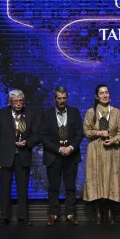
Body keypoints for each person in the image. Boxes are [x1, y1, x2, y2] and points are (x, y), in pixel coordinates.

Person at [0, 89, 38, 226]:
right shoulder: (1, 114)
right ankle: (4, 217)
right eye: (15, 101)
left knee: (23, 189)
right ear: (10, 102)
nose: (18, 104)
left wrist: (27, 142)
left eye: (21, 101)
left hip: (23, 156)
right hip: (5, 157)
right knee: (5, 188)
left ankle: (23, 216)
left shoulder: (31, 114)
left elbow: (36, 135)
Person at [39, 86, 83, 226]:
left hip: (71, 155)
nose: (62, 101)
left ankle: (70, 214)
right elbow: (43, 136)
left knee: (70, 187)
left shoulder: (74, 112)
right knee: (53, 187)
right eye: (59, 98)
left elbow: (79, 133)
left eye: (64, 98)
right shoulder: (46, 115)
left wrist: (71, 147)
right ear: (54, 99)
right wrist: (58, 149)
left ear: (67, 98)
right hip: (53, 156)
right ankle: (53, 214)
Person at [83, 84, 120, 224]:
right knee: (96, 179)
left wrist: (113, 140)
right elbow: (86, 132)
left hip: (112, 150)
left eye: (106, 92)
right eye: (101, 93)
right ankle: (98, 212)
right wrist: (98, 133)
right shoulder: (91, 112)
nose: (105, 95)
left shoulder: (116, 112)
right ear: (96, 96)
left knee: (111, 179)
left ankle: (110, 211)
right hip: (95, 150)